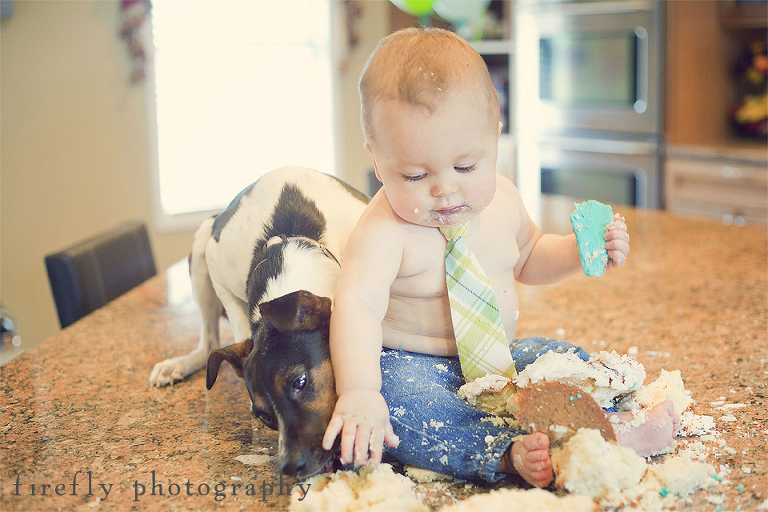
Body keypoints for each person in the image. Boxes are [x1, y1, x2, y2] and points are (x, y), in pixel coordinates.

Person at [322, 27, 676, 488]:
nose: (445, 189)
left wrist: (577, 252)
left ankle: (608, 422)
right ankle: (507, 452)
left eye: (466, 167)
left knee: (560, 358)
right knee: (403, 407)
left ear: (495, 135)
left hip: (499, 361)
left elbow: (529, 256)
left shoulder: (504, 201)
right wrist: (359, 391)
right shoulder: (383, 232)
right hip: (413, 363)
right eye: (414, 175)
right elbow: (357, 306)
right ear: (377, 159)